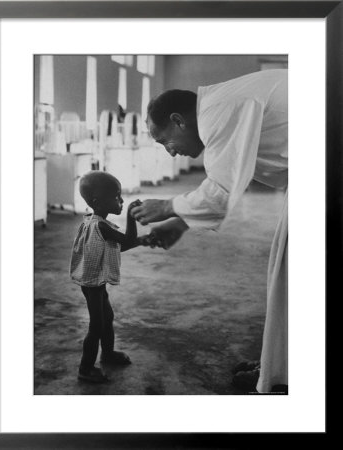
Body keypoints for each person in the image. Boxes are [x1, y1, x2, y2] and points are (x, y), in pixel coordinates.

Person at [131, 69, 288, 393]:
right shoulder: (220, 104)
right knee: (285, 277)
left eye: (165, 141)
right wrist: (180, 222)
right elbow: (230, 182)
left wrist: (168, 207)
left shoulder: (219, 110)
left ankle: (286, 377)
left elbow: (219, 192)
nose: (170, 151)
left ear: (178, 120)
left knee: (296, 282)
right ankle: (279, 367)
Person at [70, 171, 153, 383]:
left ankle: (107, 354)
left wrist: (144, 240)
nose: (122, 200)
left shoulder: (92, 222)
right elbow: (127, 240)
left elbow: (118, 246)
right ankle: (85, 368)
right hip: (92, 283)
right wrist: (131, 217)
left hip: (93, 280)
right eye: (116, 196)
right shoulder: (100, 226)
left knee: (107, 318)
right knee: (97, 325)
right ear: (97, 201)